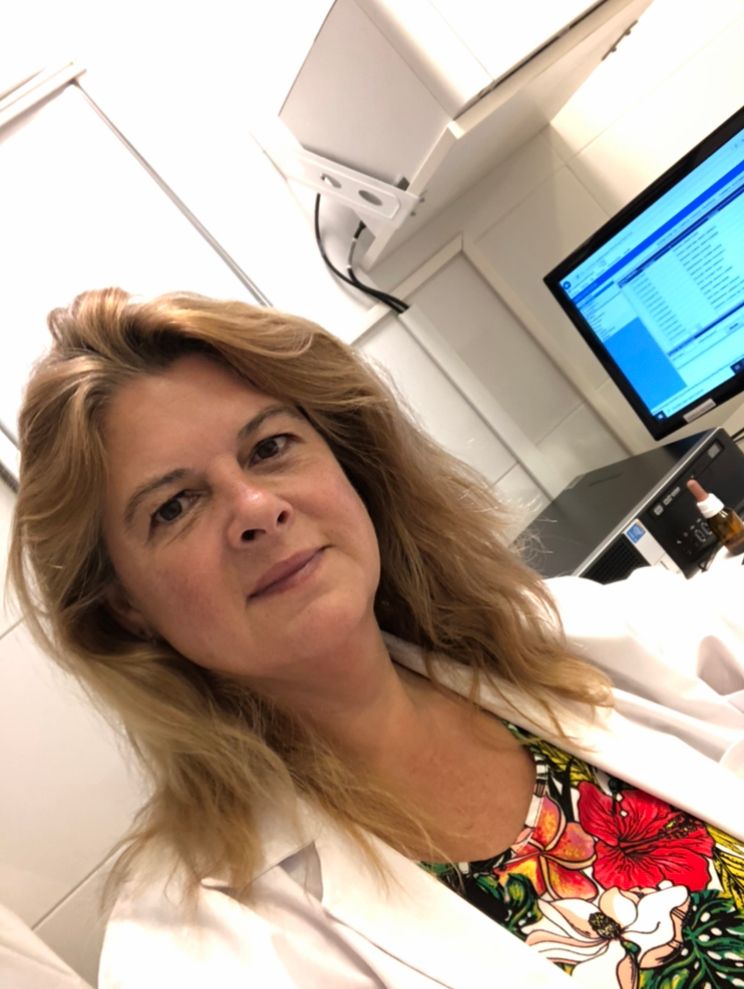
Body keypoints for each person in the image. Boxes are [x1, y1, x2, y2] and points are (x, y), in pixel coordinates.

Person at [10, 287, 744, 989]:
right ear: (124, 607)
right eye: (174, 506)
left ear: (347, 461)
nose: (257, 508)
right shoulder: (190, 950)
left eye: (269, 446)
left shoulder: (540, 636)